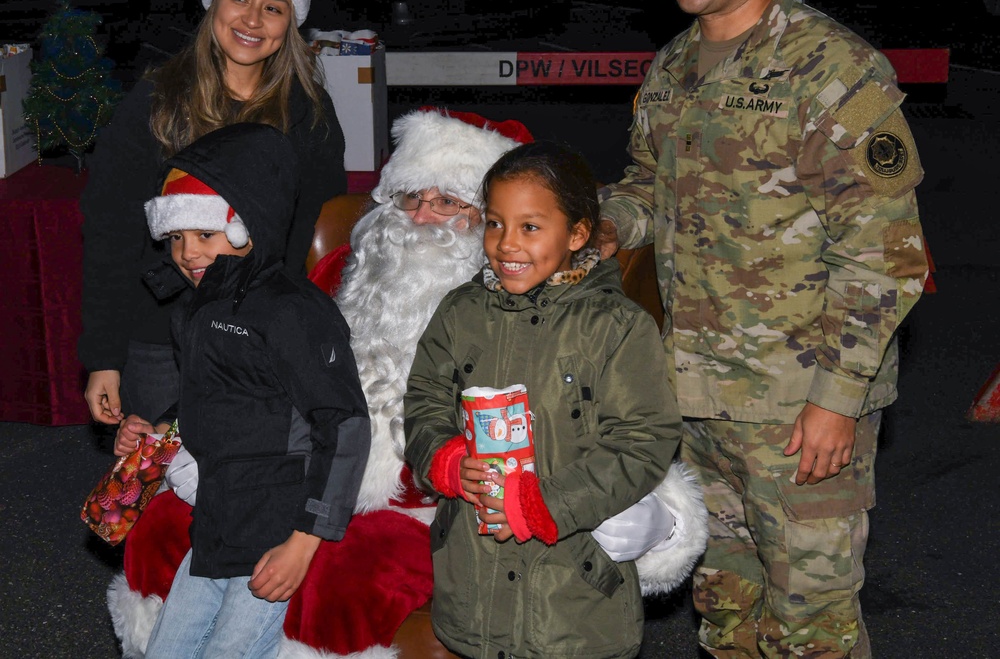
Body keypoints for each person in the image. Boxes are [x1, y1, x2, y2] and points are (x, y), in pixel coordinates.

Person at [110, 110, 706, 658]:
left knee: (350, 575)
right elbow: (249, 377)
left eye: (448, 201)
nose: (420, 217)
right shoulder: (334, 276)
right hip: (294, 473)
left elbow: (617, 423)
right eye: (408, 197)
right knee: (163, 529)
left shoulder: (531, 309)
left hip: (432, 506)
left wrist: (661, 515)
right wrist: (176, 437)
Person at [595, 0, 930, 658]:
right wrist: (606, 224)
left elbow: (888, 256)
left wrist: (837, 400)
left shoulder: (835, 71)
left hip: (798, 409)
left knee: (813, 628)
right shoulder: (673, 69)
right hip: (696, 398)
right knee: (728, 611)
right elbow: (651, 184)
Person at [403, 140, 686, 659]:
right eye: (494, 223)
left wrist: (546, 503)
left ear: (578, 233)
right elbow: (423, 398)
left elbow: (643, 440)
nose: (506, 244)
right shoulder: (460, 311)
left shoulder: (615, 327)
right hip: (474, 576)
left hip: (572, 592)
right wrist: (442, 457)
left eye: (530, 227)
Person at [112, 121, 370, 658]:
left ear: (245, 226)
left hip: (277, 528)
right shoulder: (196, 310)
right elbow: (217, 397)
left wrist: (303, 543)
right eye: (177, 237)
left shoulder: (291, 310)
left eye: (204, 235)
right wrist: (160, 427)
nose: (187, 253)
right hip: (217, 520)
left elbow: (343, 423)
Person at [80, 0, 347, 431]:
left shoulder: (307, 112)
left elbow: (318, 236)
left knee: (250, 482)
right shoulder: (156, 101)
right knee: (164, 487)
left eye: (273, 6)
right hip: (161, 339)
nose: (252, 18)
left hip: (264, 334)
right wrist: (104, 356)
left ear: (290, 23)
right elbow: (110, 232)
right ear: (213, 3)